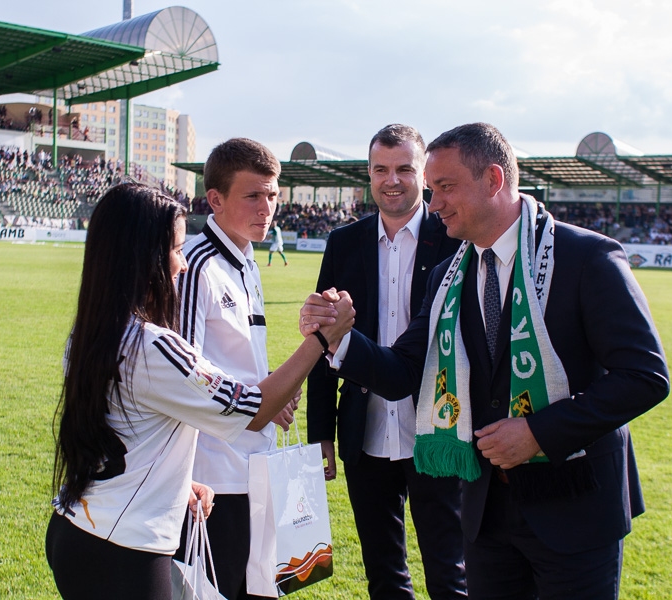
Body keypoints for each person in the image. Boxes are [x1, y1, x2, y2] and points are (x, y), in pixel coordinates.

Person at [302, 123, 670, 600]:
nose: (434, 203)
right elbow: (402, 372)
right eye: (432, 189)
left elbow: (644, 376)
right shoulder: (447, 275)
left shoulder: (587, 257)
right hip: (486, 512)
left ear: (493, 180)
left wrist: (539, 432)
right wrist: (341, 340)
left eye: (445, 187)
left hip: (574, 508)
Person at [46, 183, 354, 600]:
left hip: (74, 526)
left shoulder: (90, 333)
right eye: (176, 250)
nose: (183, 263)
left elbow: (124, 430)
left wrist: (177, 482)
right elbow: (255, 411)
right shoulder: (154, 347)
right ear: (143, 258)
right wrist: (320, 341)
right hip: (125, 549)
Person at [306, 124, 466, 599]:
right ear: (369, 174)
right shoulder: (344, 242)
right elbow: (323, 339)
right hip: (366, 430)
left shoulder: (455, 236)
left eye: (403, 169)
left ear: (423, 174)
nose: (391, 180)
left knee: (451, 573)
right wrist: (322, 432)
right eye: (380, 169)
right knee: (383, 574)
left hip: (441, 431)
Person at [174, 138, 296, 599]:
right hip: (213, 477)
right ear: (216, 199)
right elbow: (183, 376)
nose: (267, 207)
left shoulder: (247, 261)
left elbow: (235, 361)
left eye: (273, 195)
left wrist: (274, 393)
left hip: (256, 465)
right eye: (253, 195)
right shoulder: (196, 266)